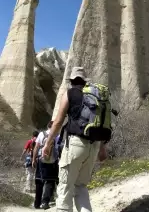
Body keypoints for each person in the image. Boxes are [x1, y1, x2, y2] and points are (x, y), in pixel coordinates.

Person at [41, 67, 108, 212]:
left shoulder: (70, 93)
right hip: (93, 146)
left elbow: (58, 122)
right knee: (80, 187)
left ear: (71, 81)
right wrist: (102, 148)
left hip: (75, 145)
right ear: (85, 81)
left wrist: (48, 143)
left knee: (65, 186)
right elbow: (100, 123)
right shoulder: (94, 96)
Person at [33, 121, 59, 209]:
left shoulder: (41, 134)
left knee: (39, 181)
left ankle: (37, 203)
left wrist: (34, 159)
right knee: (50, 181)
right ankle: (45, 202)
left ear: (48, 126)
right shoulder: (57, 136)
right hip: (53, 162)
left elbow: (36, 147)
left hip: (41, 160)